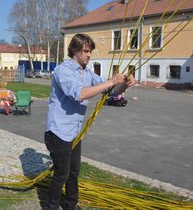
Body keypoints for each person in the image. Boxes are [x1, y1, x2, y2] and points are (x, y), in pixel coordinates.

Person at [44, 34, 135, 210]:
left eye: (90, 51)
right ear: (75, 51)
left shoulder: (88, 73)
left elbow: (111, 91)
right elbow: (79, 94)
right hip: (58, 132)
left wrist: (125, 84)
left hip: (74, 133)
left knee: (73, 172)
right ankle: (51, 206)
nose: (89, 55)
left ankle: (71, 205)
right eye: (86, 51)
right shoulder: (63, 71)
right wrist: (110, 80)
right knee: (61, 174)